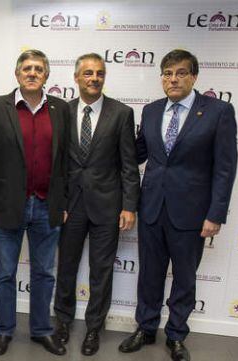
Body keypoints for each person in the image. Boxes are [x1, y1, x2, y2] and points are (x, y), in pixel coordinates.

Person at [119, 49, 237, 361]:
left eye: (181, 73)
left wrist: (216, 214)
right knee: (149, 274)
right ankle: (145, 328)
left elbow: (225, 168)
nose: (173, 79)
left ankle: (176, 335)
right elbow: (138, 153)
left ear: (194, 77)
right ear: (162, 78)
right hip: (152, 208)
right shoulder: (152, 110)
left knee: (184, 278)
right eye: (168, 73)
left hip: (192, 213)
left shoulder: (218, 111)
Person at [0, 49, 70, 356]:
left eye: (38, 68)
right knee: (5, 273)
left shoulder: (60, 109)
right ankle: (4, 330)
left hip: (47, 206)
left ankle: (42, 330)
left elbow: (65, 163)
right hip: (7, 206)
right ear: (17, 74)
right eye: (26, 68)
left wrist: (63, 203)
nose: (32, 72)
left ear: (46, 75)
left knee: (44, 273)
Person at [53, 53, 140, 356]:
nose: (94, 78)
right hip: (70, 206)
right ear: (76, 78)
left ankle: (93, 329)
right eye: (88, 73)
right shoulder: (62, 111)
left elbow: (129, 164)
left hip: (108, 206)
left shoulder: (121, 113)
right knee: (65, 267)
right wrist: (57, 202)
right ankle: (61, 322)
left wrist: (129, 206)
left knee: (101, 271)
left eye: (99, 73)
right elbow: (57, 163)